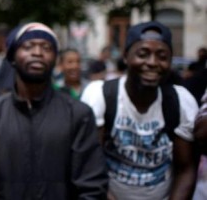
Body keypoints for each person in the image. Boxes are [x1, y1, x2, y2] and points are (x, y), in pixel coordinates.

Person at [0, 22, 108, 199]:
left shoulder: (78, 115)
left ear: (55, 59)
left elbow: (92, 187)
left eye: (46, 47)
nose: (37, 53)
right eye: (28, 46)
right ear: (12, 56)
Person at [81, 21, 198, 199]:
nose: (152, 63)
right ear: (126, 57)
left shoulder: (181, 101)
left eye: (162, 56)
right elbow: (91, 167)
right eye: (143, 54)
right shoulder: (101, 95)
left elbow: (186, 169)